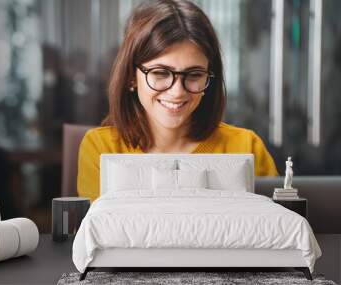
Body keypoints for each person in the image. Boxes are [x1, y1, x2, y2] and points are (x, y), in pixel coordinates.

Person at [77, 0, 278, 202]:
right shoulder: (101, 148)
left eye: (194, 75)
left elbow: (276, 229)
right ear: (131, 76)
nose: (177, 92)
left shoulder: (246, 148)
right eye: (160, 73)